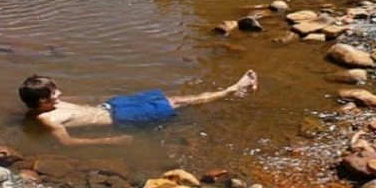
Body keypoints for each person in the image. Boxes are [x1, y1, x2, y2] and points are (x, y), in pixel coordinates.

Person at [19, 70, 258, 146]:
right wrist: (111, 141)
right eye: (53, 93)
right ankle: (231, 90)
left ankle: (229, 91)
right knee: (178, 104)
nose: (59, 94)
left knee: (173, 97)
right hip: (123, 116)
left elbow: (83, 104)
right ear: (42, 102)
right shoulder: (47, 120)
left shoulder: (53, 105)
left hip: (115, 105)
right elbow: (68, 144)